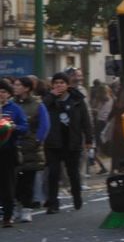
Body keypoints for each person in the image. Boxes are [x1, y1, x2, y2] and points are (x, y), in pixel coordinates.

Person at [42, 73, 90, 214]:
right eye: (56, 83)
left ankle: (76, 196)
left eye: (62, 82)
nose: (59, 85)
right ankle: (53, 202)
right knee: (53, 173)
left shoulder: (77, 100)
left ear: (67, 85)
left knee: (73, 172)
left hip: (72, 142)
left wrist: (89, 138)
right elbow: (41, 110)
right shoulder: (48, 99)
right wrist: (51, 96)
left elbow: (85, 120)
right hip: (53, 142)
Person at [10, 77, 48, 217]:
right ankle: (15, 205)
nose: (15, 87)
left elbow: (44, 125)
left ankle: (26, 207)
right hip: (13, 145)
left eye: (18, 85)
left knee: (28, 178)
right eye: (14, 84)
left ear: (27, 88)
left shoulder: (38, 104)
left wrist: (38, 140)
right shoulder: (11, 104)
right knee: (13, 179)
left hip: (30, 146)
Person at [0, 85, 28, 228]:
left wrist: (13, 127)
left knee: (7, 184)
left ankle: (7, 215)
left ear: (9, 94)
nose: (1, 94)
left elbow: (24, 127)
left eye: (3, 91)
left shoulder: (15, 109)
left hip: (8, 151)